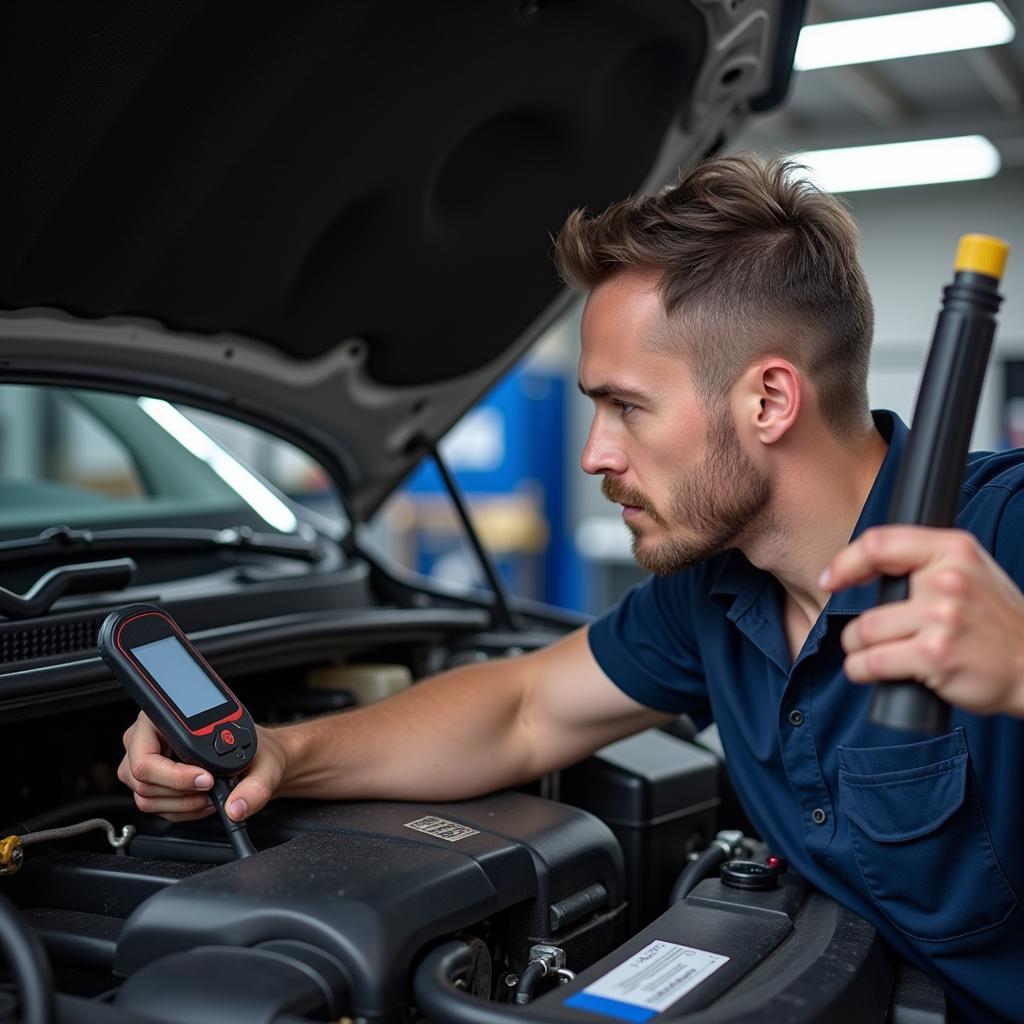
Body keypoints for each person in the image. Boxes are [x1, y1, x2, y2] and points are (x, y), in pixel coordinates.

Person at [120, 155, 1023, 1023]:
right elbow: (524, 709)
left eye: (626, 405)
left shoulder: (1005, 533)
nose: (594, 453)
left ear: (769, 402)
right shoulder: (714, 588)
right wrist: (283, 754)